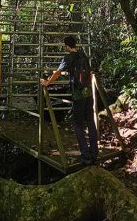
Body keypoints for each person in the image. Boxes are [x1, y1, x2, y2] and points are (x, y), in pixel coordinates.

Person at [41, 34, 99, 167]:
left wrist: (47, 83)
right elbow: (90, 74)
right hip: (89, 94)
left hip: (78, 95)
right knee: (90, 122)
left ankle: (86, 156)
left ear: (67, 46)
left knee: (77, 124)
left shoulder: (68, 57)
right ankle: (94, 153)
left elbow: (58, 72)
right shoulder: (83, 55)